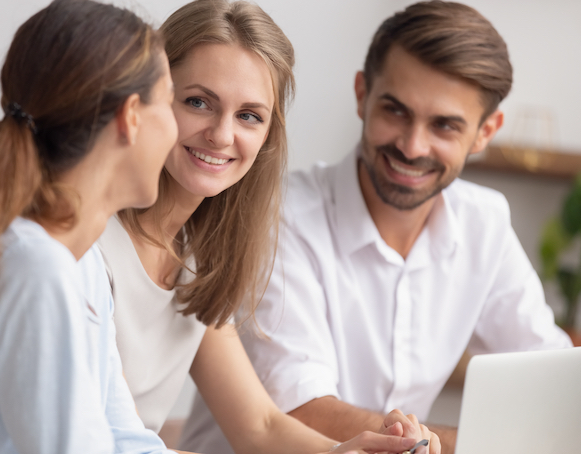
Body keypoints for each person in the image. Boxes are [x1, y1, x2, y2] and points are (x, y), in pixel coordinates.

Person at [179, 2, 574, 454]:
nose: (412, 145)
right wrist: (470, 445)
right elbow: (301, 408)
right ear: (362, 94)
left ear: (486, 132)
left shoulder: (484, 222)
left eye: (444, 126)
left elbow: (555, 377)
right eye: (397, 111)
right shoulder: (278, 214)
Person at [97, 0, 438, 453]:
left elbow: (259, 425)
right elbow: (103, 438)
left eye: (248, 116)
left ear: (268, 136)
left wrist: (352, 450)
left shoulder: (196, 258)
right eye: (198, 102)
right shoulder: (92, 242)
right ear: (151, 100)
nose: (221, 135)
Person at [0, 1, 179, 453]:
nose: (176, 130)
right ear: (131, 116)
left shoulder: (80, 265)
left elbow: (125, 439)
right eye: (172, 103)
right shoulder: (33, 270)